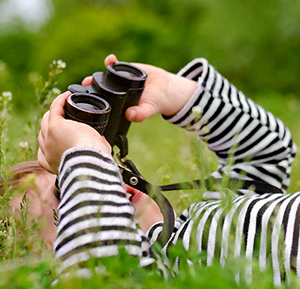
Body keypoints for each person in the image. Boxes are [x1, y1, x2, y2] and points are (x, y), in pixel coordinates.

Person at [10, 54, 298, 285]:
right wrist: (83, 149)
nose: (107, 177)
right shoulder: (166, 277)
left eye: (103, 170)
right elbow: (101, 267)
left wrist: (177, 93)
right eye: (69, 190)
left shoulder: (193, 227)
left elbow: (269, 153)